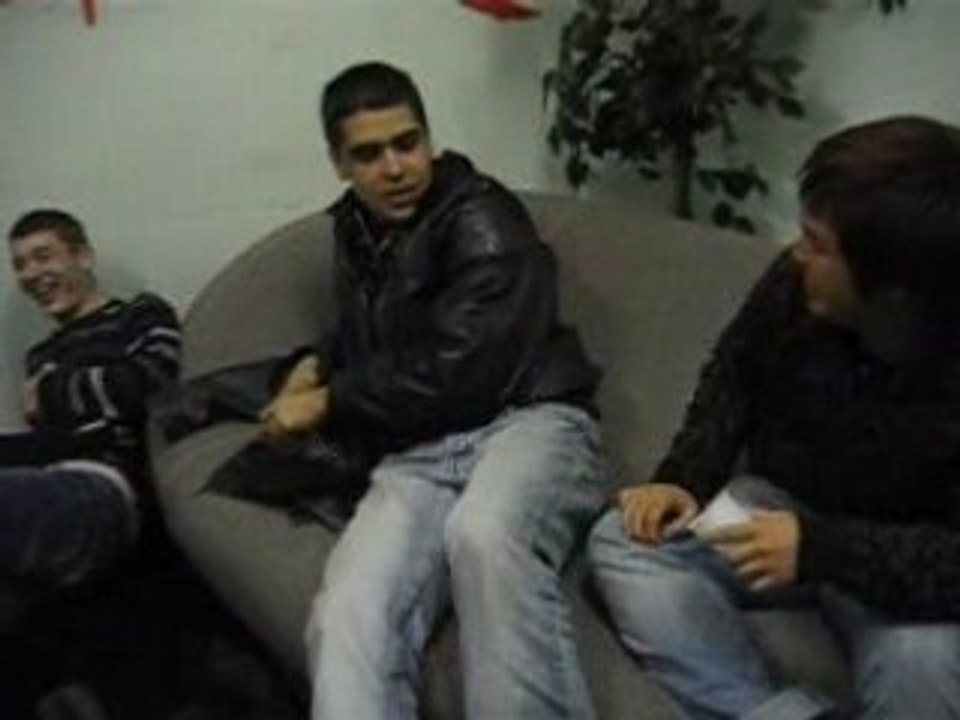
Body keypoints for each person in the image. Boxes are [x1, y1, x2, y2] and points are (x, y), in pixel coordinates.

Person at [260, 61, 607, 719]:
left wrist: (328, 400)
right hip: (420, 446)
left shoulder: (484, 217)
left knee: (484, 537)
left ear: (429, 138)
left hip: (527, 421)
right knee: (347, 615)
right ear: (339, 165)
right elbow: (380, 329)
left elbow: (463, 366)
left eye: (407, 142)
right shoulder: (357, 230)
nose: (395, 168)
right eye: (369, 154)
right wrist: (311, 365)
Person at [588, 115, 960, 720]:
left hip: (900, 566)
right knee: (626, 542)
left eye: (818, 245)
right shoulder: (794, 287)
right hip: (783, 505)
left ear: (892, 289)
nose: (795, 253)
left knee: (925, 665)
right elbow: (733, 375)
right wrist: (682, 479)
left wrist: (822, 550)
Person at [0, 209, 181, 716]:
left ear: (83, 255)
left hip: (109, 484)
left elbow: (156, 382)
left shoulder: (140, 314)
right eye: (20, 264)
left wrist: (54, 392)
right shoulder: (40, 355)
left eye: (43, 256)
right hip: (51, 479)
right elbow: (53, 438)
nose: (31, 273)